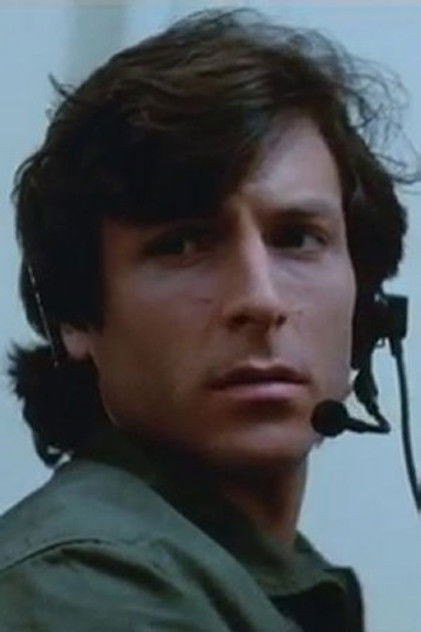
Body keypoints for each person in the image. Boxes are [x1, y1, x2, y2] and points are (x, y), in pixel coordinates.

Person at [0, 8, 414, 631]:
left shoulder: (261, 577)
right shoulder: (82, 584)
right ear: (75, 314)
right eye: (184, 245)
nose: (261, 300)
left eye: (297, 238)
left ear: (366, 304)